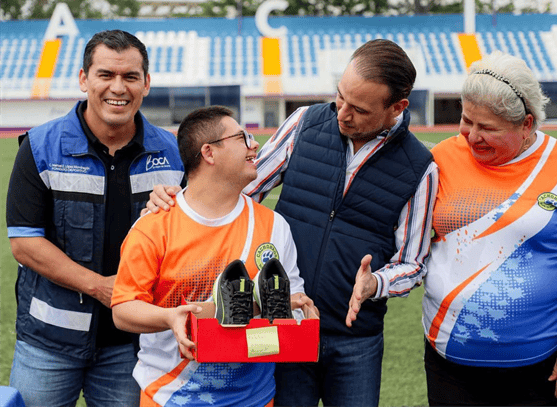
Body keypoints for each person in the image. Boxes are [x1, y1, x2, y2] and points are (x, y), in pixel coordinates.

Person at [147, 39, 438, 406]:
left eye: (359, 109)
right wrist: (178, 200)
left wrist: (375, 283)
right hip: (283, 325)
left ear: (397, 107)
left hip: (355, 342)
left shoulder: (420, 168)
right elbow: (238, 188)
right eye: (340, 96)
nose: (341, 112)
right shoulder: (304, 123)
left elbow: (413, 263)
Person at [408, 51, 557, 406]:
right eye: (466, 120)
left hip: (538, 364)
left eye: (487, 128)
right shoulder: (441, 158)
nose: (471, 136)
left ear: (527, 124)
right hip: (449, 361)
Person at [5, 30, 185, 407]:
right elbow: (25, 243)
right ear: (84, 78)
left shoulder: (174, 154)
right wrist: (101, 287)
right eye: (105, 74)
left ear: (146, 83)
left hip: (132, 345)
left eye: (130, 76)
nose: (117, 87)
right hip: (48, 342)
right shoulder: (40, 147)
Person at [111, 106, 317, 407]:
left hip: (255, 399)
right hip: (169, 397)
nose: (255, 144)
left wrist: (297, 317)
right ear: (209, 152)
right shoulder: (152, 227)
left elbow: (292, 307)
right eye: (242, 137)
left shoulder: (274, 225)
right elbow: (122, 310)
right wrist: (169, 317)